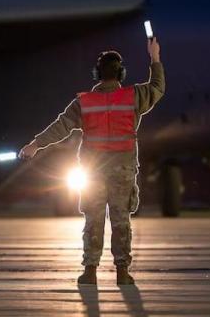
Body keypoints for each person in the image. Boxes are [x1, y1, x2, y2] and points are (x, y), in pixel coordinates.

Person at [19, 38, 164, 286]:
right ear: (121, 73)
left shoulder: (84, 103)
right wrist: (155, 58)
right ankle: (122, 272)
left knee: (93, 220)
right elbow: (158, 87)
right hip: (123, 170)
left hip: (92, 171)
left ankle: (90, 271)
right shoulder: (133, 97)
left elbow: (61, 127)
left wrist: (35, 145)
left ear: (97, 74)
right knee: (121, 221)